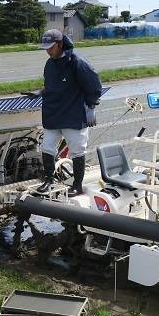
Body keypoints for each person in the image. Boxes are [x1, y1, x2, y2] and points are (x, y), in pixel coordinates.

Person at [34, 29, 102, 196]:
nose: (48, 51)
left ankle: (77, 185)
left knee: (77, 150)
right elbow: (50, 85)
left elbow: (94, 86)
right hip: (53, 113)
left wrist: (91, 107)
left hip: (73, 114)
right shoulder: (50, 64)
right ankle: (48, 180)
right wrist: (41, 92)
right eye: (45, 48)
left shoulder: (76, 62)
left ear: (59, 44)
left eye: (50, 47)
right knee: (47, 147)